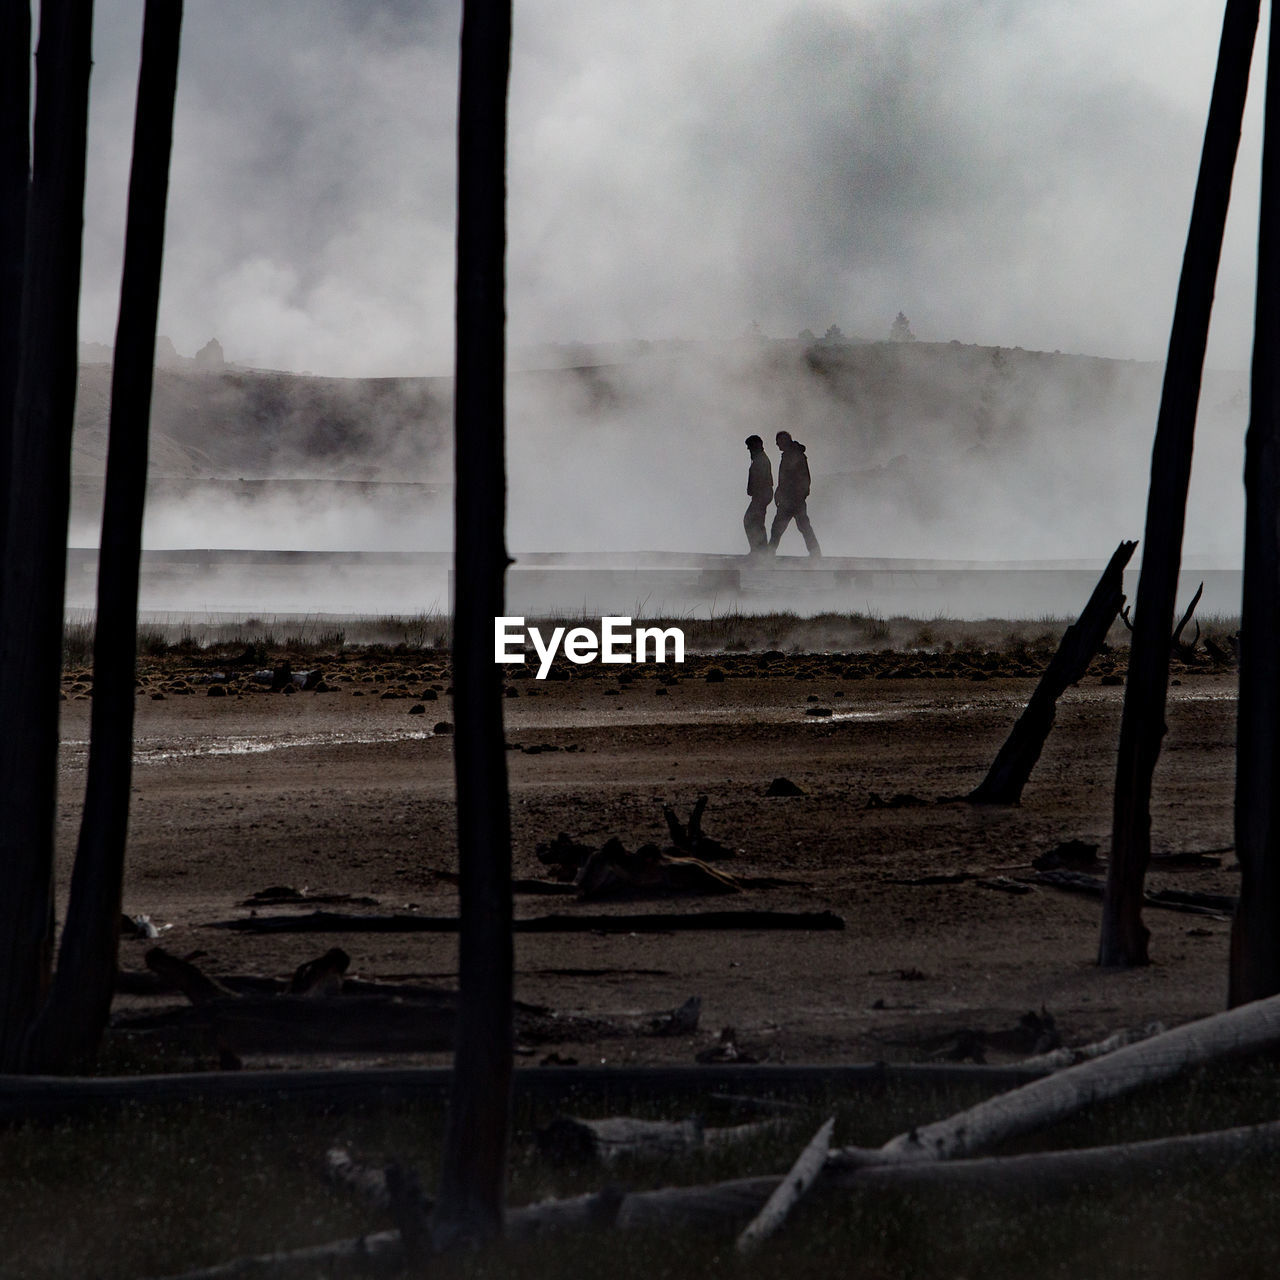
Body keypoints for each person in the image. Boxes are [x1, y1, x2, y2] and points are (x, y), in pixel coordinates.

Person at [769, 430, 821, 557]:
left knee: (780, 527)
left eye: (778, 442)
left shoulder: (795, 455)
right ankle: (815, 552)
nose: (777, 445)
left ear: (785, 440)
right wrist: (779, 492)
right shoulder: (791, 454)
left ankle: (769, 553)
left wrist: (799, 494)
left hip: (793, 499)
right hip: (791, 498)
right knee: (800, 526)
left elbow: (802, 477)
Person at [743, 434, 773, 554]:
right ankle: (760, 550)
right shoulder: (760, 459)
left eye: (749, 446)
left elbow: (761, 479)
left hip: (761, 495)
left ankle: (759, 551)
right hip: (762, 494)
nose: (748, 449)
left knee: (751, 520)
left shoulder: (760, 460)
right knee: (756, 522)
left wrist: (754, 491)